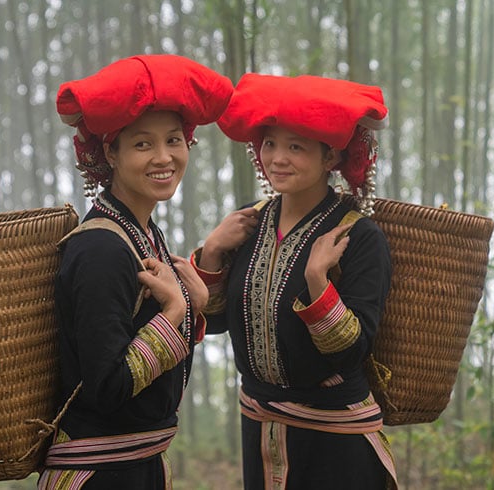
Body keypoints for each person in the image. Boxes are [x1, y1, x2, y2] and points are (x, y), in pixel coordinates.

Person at [191, 73, 399, 489]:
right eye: (270, 143)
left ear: (331, 158)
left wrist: (317, 281)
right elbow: (214, 322)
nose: (278, 158)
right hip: (261, 429)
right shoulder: (250, 221)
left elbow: (351, 351)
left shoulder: (359, 237)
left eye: (296, 147)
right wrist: (212, 252)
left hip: (334, 442)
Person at [37, 54, 233, 490]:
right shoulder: (100, 248)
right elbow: (106, 387)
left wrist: (194, 305)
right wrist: (177, 309)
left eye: (174, 140)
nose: (164, 157)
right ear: (111, 152)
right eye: (143, 144)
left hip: (135, 468)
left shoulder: (143, 231)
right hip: (100, 475)